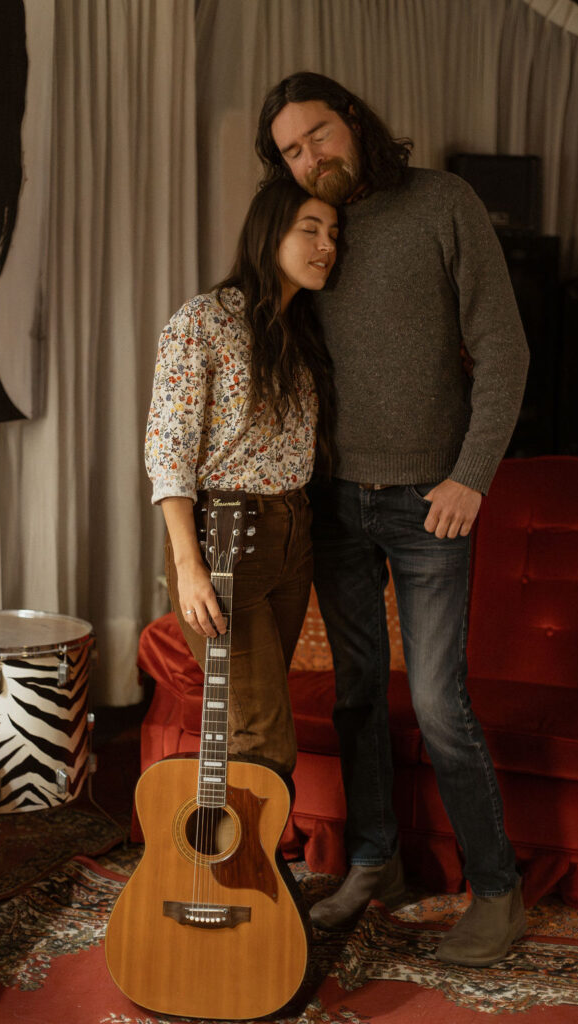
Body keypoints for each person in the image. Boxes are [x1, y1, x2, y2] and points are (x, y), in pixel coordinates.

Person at [255, 72, 531, 966]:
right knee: (357, 695)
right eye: (292, 150)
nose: (310, 158)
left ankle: (496, 894)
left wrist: (470, 478)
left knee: (441, 705)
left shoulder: (442, 202)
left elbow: (503, 350)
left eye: (319, 135)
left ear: (355, 122)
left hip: (429, 506)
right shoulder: (308, 231)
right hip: (332, 502)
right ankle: (376, 862)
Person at [145, 177, 338, 775]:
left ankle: (239, 853)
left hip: (293, 533)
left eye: (333, 234)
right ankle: (247, 868)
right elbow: (168, 452)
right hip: (223, 534)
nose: (326, 245)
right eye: (310, 230)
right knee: (261, 731)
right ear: (269, 233)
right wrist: (188, 567)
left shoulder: (305, 332)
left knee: (252, 714)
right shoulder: (202, 320)